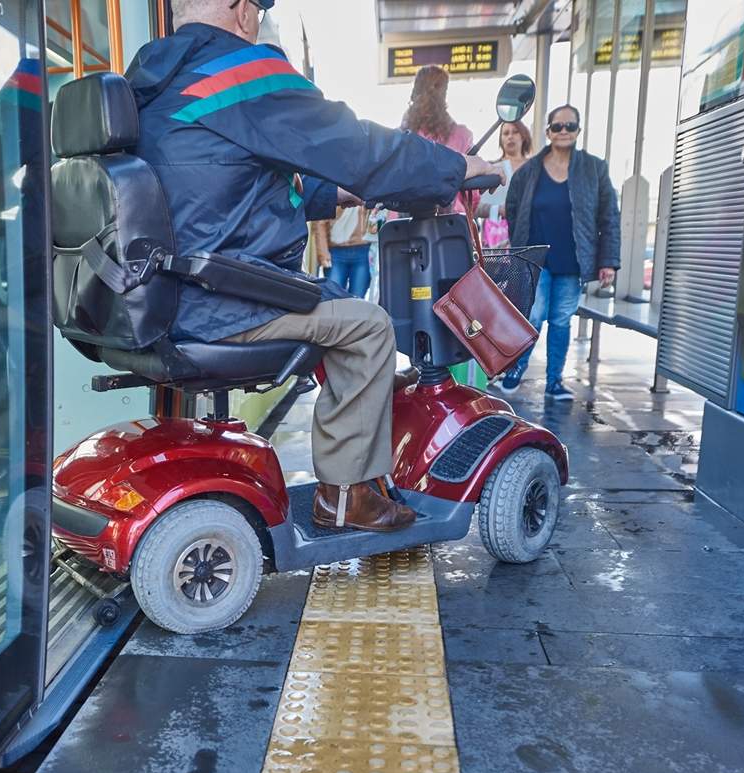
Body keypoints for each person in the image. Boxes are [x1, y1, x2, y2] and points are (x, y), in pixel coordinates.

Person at [126, 0, 495, 531]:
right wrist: (455, 166)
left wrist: (334, 194)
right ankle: (346, 495)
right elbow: (358, 145)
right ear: (241, 10)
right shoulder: (237, 71)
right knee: (367, 325)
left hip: (156, 297)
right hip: (219, 304)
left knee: (328, 308)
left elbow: (221, 180)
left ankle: (357, 436)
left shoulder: (150, 83)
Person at [501, 105, 619, 400]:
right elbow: (514, 210)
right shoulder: (528, 172)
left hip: (573, 260)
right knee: (534, 314)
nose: (563, 131)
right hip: (536, 258)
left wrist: (608, 261)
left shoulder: (595, 169)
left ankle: (554, 381)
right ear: (548, 132)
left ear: (578, 130)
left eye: (570, 126)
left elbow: (609, 216)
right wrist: (518, 245)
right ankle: (516, 367)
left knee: (562, 319)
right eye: (557, 127)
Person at [400, 65, 473, 214]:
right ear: (444, 94)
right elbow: (474, 195)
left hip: (403, 224)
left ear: (414, 92)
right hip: (449, 225)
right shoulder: (462, 136)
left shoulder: (399, 137)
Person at [477, 119, 532, 248]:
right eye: (506, 133)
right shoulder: (491, 169)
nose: (510, 136)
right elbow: (474, 207)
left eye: (515, 132)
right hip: (497, 243)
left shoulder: (536, 168)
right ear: (501, 139)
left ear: (523, 135)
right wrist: (498, 210)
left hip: (529, 238)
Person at [316, 202, 372, 299]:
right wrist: (323, 253)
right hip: (335, 252)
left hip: (362, 250)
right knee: (333, 297)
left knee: (358, 299)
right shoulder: (333, 189)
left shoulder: (365, 189)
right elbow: (320, 223)